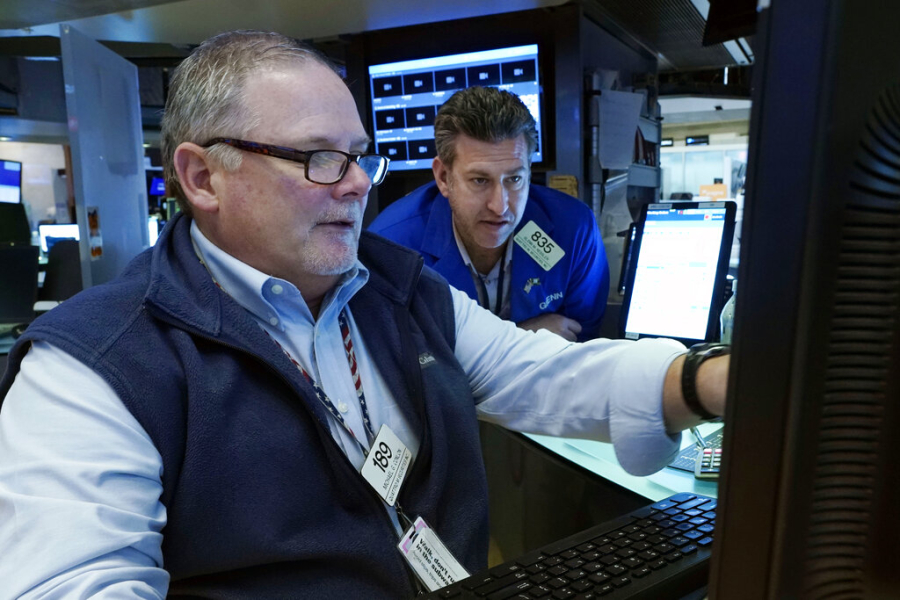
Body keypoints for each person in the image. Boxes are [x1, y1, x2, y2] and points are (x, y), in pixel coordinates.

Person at [0, 30, 728, 599]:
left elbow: (546, 374)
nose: (357, 186)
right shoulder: (91, 365)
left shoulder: (395, 286)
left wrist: (709, 380)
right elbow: (73, 582)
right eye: (319, 158)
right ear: (202, 176)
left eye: (359, 157)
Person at [369, 86, 608, 342]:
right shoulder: (390, 249)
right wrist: (521, 337)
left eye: (514, 179)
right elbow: (395, 356)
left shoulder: (573, 230)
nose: (499, 206)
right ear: (443, 177)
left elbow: (583, 347)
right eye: (480, 180)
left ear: (529, 171)